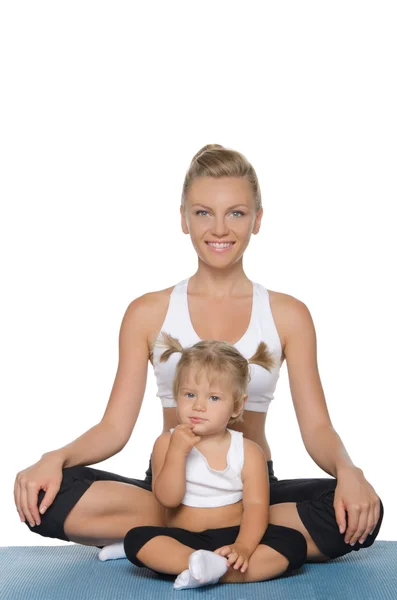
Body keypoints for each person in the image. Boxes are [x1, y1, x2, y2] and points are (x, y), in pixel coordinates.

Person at [14, 144, 383, 567]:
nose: (220, 228)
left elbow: (317, 426)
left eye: (237, 213)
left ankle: (162, 543)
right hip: (166, 494)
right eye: (204, 212)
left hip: (251, 494)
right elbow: (114, 427)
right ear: (184, 219)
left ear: (257, 220)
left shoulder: (288, 315)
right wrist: (53, 458)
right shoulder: (147, 312)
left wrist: (348, 470)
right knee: (46, 497)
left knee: (360, 514)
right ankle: (230, 544)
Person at [102, 332, 308, 589]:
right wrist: (177, 453)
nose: (199, 406)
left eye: (213, 398)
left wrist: (243, 547)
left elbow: (256, 507)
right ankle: (199, 564)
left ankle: (208, 567)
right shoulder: (166, 443)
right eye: (189, 395)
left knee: (293, 544)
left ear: (237, 406)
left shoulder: (249, 451)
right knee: (137, 539)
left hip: (233, 535)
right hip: (183, 537)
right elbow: (168, 499)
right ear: (176, 395)